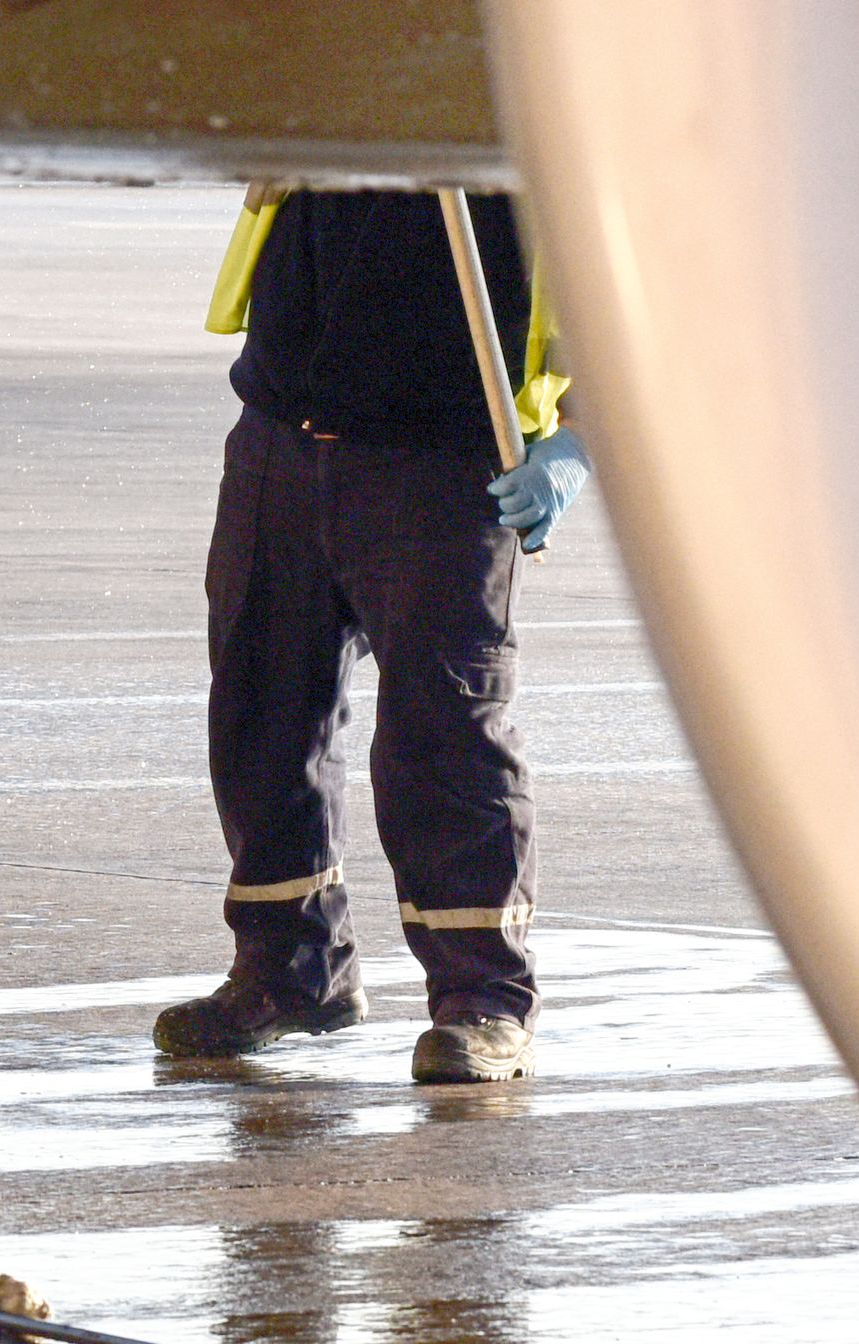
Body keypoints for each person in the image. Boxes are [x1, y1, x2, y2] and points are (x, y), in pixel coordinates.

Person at [163, 184, 583, 1084]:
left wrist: (584, 440)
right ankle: (289, 970)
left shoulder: (531, 108)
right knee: (260, 716)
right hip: (283, 428)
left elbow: (645, 267)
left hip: (445, 453)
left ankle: (483, 1000)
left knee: (443, 738)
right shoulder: (333, 101)